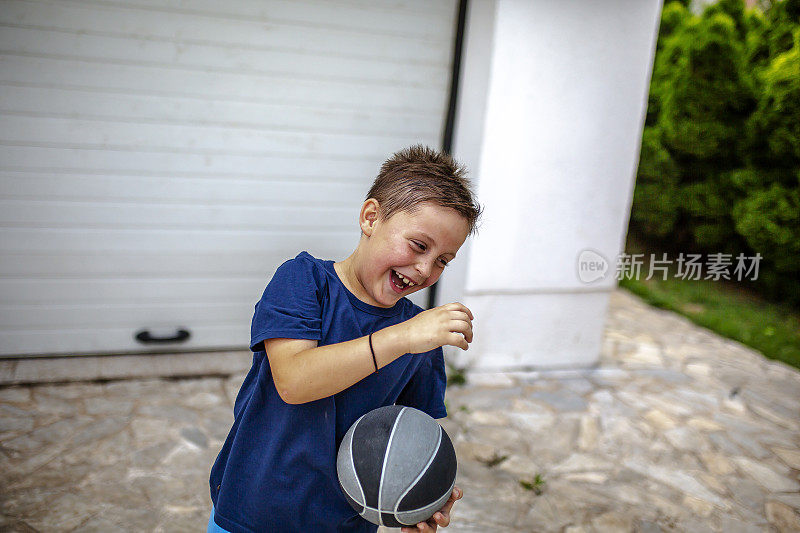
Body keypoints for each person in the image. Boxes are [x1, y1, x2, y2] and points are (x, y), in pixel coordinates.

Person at [209, 145, 483, 533]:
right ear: (371, 218)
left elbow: (411, 438)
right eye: (419, 246)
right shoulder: (303, 280)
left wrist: (423, 496)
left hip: (344, 524)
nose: (425, 268)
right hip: (252, 514)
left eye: (443, 260)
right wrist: (402, 337)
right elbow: (294, 380)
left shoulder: (421, 336)